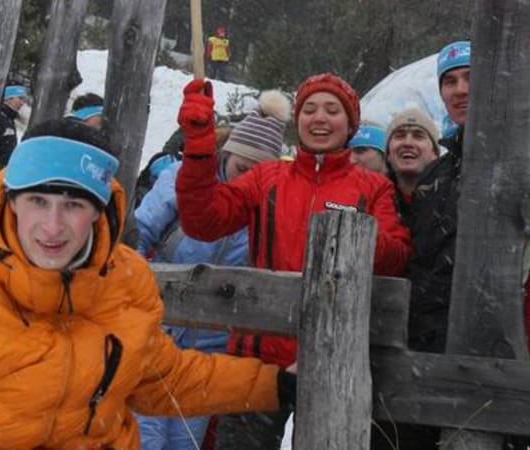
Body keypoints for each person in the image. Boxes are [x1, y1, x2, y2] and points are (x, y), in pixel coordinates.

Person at [0, 118, 297, 450]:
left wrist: (274, 384)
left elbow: (162, 377)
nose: (53, 227)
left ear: (99, 211)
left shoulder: (123, 281)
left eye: (74, 205)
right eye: (38, 200)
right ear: (11, 201)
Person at [175, 73, 412, 449]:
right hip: (257, 357)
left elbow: (396, 259)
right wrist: (200, 147)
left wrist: (355, 234)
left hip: (335, 357)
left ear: (350, 123)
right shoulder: (267, 177)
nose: (320, 118)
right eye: (310, 109)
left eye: (332, 110)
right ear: (297, 119)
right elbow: (203, 221)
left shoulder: (373, 188)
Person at [376, 40, 530, 450]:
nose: (460, 90)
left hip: (500, 349)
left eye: (470, 78)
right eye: (450, 81)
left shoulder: (522, 152)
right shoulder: (437, 173)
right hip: (427, 349)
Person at [135, 90, 291, 450]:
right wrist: (138, 289)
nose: (246, 177)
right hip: (156, 327)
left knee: (186, 440)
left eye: (257, 171)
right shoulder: (182, 179)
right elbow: (139, 232)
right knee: (144, 434)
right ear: (227, 153)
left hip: (210, 346)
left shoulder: (264, 204)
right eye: (242, 166)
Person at [383, 107, 441, 219]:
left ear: (434, 153)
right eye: (400, 136)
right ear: (388, 154)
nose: (408, 143)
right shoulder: (374, 199)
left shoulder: (451, 199)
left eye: (418, 136)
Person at [0, 83, 28, 189]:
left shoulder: (9, 120)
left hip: (3, 178)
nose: (22, 103)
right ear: (8, 98)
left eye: (24, 99)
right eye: (20, 98)